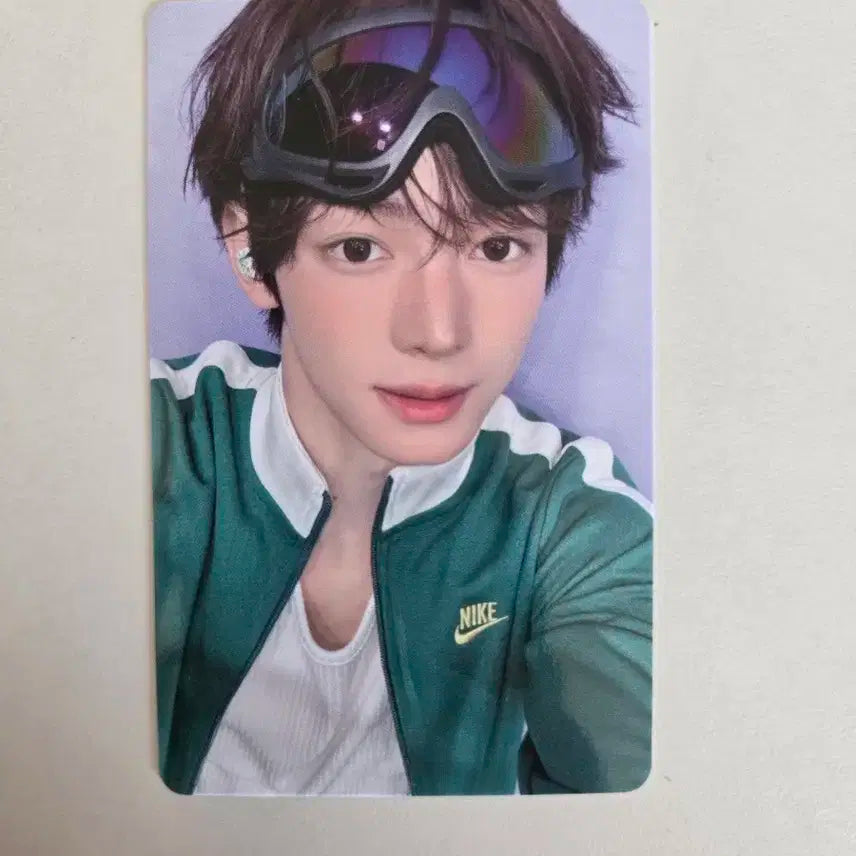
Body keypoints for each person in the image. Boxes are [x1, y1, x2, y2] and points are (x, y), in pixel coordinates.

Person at [151, 0, 653, 797]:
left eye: (497, 246)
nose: (439, 332)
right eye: (359, 248)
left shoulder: (568, 523)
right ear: (250, 253)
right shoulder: (148, 444)